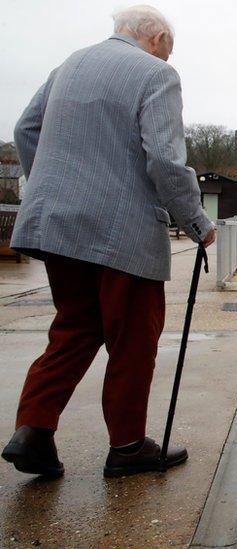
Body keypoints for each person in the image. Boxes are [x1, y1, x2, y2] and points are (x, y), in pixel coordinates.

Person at [1, 5, 216, 479]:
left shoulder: (69, 65)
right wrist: (198, 222)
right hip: (121, 230)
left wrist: (53, 185)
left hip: (57, 225)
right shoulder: (156, 75)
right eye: (168, 49)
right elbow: (164, 159)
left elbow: (25, 129)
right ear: (156, 37)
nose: (167, 57)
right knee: (133, 338)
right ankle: (127, 446)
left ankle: (33, 430)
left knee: (75, 327)